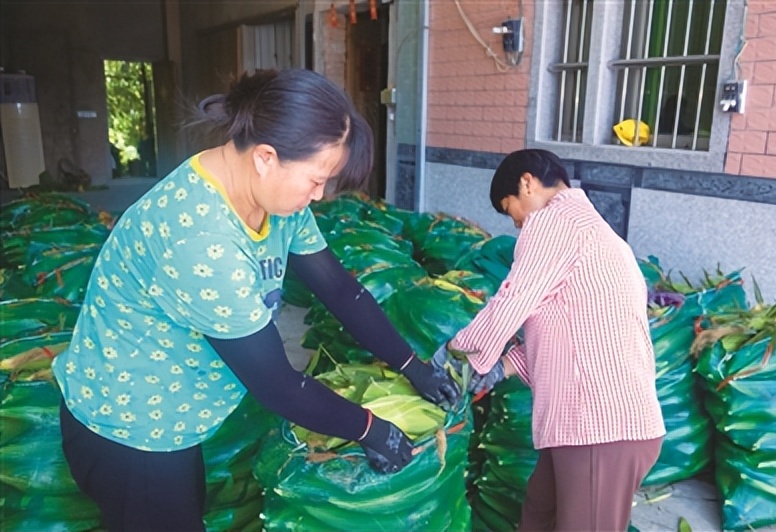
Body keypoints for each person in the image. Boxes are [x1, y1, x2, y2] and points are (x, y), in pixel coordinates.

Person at [52, 68, 460, 532]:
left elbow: (340, 289)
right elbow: (278, 385)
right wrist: (370, 428)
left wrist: (412, 365)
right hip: (131, 429)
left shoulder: (274, 198)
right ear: (267, 157)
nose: (320, 194)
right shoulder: (202, 237)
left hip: (174, 416)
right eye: (316, 179)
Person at [435, 148, 665, 531]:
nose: (519, 227)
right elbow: (568, 327)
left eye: (512, 212)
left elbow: (514, 298)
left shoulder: (555, 222)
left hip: (601, 426)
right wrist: (501, 367)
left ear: (527, 183)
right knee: (538, 517)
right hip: (587, 428)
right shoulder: (593, 232)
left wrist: (458, 354)